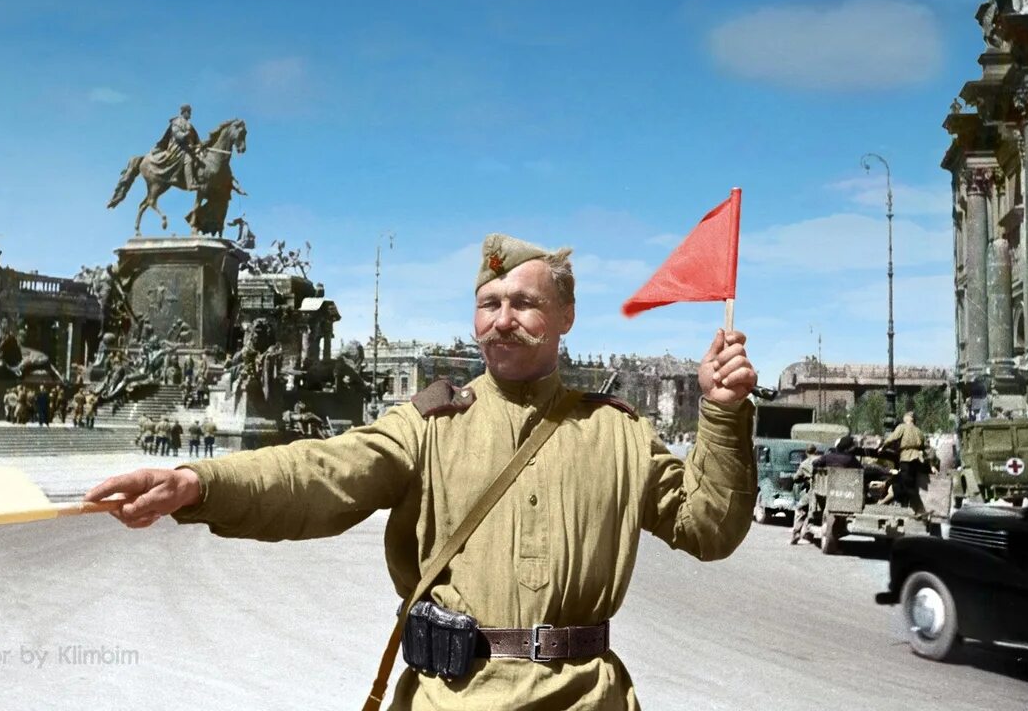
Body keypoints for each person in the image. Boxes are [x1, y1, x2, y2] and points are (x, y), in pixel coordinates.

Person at [87, 232, 758, 710]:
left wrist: (723, 415)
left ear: (565, 317)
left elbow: (708, 527)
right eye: (489, 303)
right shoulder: (431, 424)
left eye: (523, 303)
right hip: (451, 700)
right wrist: (202, 485)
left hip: (583, 699)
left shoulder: (619, 435)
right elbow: (322, 472)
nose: (502, 320)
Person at [880, 411, 927, 514]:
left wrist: (883, 447)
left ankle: (920, 509)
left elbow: (892, 438)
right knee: (906, 483)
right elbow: (924, 447)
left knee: (907, 486)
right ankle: (893, 503)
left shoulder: (902, 427)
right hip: (917, 460)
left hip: (906, 458)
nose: (904, 419)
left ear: (908, 418)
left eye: (905, 417)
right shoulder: (919, 431)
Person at [155, 103, 203, 191]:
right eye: (189, 112)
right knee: (188, 159)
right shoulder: (176, 121)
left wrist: (200, 146)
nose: (190, 114)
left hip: (189, 148)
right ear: (184, 112)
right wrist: (186, 135)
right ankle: (190, 184)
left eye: (190, 112)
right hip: (177, 147)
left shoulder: (189, 125)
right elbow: (177, 135)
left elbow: (197, 139)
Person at [788, 444, 820, 545]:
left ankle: (796, 534)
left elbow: (796, 478)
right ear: (816, 451)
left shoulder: (805, 463)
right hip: (825, 490)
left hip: (813, 490)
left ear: (806, 452)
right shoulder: (822, 459)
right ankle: (807, 534)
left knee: (800, 509)